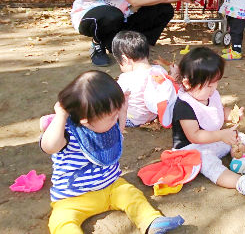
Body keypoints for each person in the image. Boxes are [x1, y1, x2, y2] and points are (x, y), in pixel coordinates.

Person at [40, 71, 185, 234]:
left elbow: (117, 134)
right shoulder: (66, 132)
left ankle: (150, 220)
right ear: (85, 120)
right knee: (61, 221)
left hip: (111, 188)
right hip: (72, 199)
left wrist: (122, 111)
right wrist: (60, 116)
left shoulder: (105, 125)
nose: (114, 120)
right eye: (111, 116)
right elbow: (49, 146)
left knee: (131, 195)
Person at [172, 47, 245, 200]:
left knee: (238, 136)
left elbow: (219, 111)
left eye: (216, 83)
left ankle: (238, 157)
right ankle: (241, 182)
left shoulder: (209, 94)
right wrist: (221, 135)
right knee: (207, 161)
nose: (213, 89)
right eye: (209, 85)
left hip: (211, 141)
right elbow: (194, 136)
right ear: (188, 83)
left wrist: (232, 115)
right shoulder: (184, 105)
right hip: (190, 150)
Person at [112, 30, 179, 128]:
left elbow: (115, 99)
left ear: (125, 60)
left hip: (132, 119)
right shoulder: (159, 70)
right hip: (153, 114)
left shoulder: (125, 78)